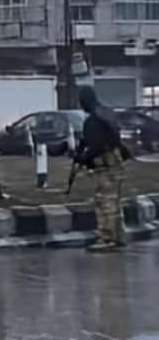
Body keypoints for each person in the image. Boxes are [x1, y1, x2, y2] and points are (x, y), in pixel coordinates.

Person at [75, 84, 130, 251]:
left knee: (105, 203)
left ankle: (106, 239)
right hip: (116, 164)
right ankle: (118, 236)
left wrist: (84, 158)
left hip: (106, 166)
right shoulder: (106, 112)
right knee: (114, 203)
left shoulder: (93, 120)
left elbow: (97, 145)